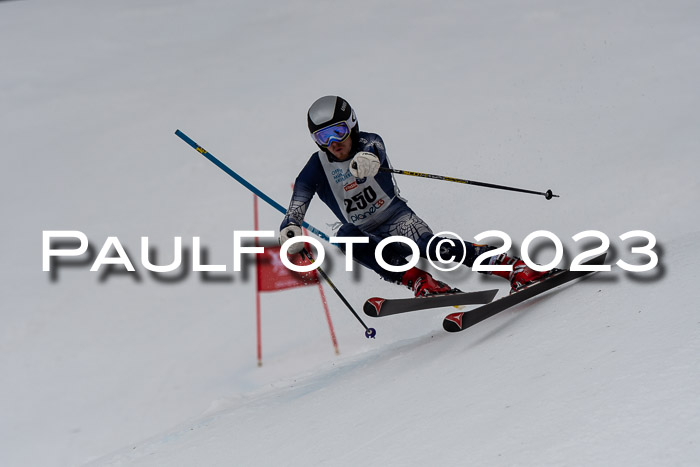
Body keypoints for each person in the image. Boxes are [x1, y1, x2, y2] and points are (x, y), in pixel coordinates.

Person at [279, 95, 546, 297]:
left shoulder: (368, 142)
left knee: (435, 249)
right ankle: (420, 281)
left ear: (352, 125)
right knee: (345, 238)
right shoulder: (317, 167)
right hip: (366, 233)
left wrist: (370, 160)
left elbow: (375, 149)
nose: (333, 142)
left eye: (338, 131)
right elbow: (298, 203)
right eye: (323, 136)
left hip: (396, 219)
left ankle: (513, 266)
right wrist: (290, 228)